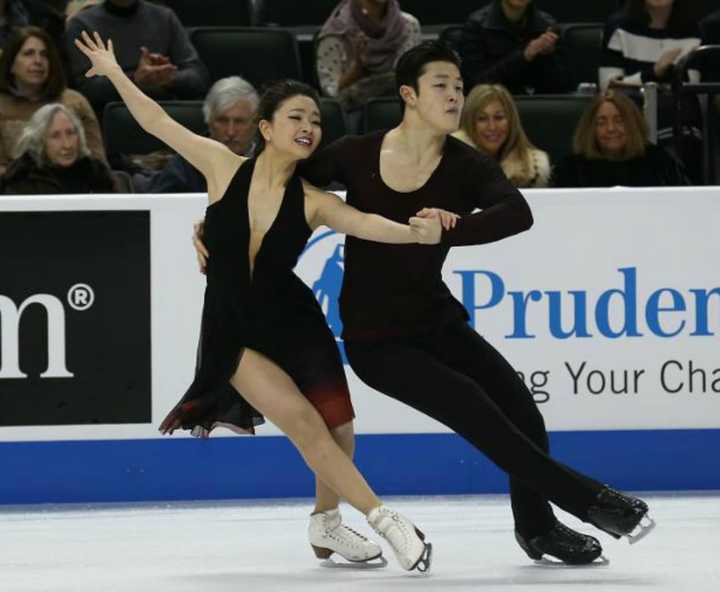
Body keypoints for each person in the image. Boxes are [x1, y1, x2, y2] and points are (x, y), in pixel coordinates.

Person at [194, 41, 656, 566]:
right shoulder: (355, 153)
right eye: (442, 85)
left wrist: (449, 231)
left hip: (437, 320)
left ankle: (538, 528)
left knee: (520, 410)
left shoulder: (465, 165)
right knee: (483, 419)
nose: (455, 95)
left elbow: (516, 212)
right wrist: (214, 227)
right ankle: (595, 502)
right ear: (409, 94)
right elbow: (273, 180)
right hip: (378, 342)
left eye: (459, 86)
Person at [73, 30, 441, 573]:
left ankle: (326, 523)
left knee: (339, 426)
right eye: (296, 117)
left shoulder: (313, 201)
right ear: (266, 128)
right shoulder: (222, 166)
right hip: (233, 328)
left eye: (314, 120)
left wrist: (417, 234)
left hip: (293, 320)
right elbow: (156, 121)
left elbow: (365, 224)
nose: (308, 128)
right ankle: (389, 522)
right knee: (305, 425)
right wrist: (116, 71)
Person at [600, 0, 703, 182]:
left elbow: (691, 86)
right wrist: (654, 73)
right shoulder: (619, 28)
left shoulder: (692, 30)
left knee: (685, 115)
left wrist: (659, 75)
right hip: (631, 113)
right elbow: (609, 87)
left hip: (678, 118)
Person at [66, 0, 208, 112]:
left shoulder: (165, 18)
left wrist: (169, 77)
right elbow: (87, 89)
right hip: (111, 118)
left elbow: (198, 76)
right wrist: (134, 80)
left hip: (165, 114)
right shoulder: (82, 25)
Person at [0, 26, 105, 175]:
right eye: (28, 54)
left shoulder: (74, 102)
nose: (38, 61)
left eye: (44, 55)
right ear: (10, 63)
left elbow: (97, 160)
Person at [142, 76, 258, 194]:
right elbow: (159, 207)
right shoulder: (184, 167)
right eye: (222, 121)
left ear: (255, 123)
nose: (230, 132)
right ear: (209, 122)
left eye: (239, 122)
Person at [553, 90, 690, 187]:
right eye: (601, 122)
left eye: (619, 121)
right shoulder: (571, 169)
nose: (611, 128)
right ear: (590, 129)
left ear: (633, 124)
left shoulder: (659, 162)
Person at [316, 0, 421, 111]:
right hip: (353, 112)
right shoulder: (337, 32)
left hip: (401, 105)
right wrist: (356, 71)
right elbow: (331, 94)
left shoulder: (408, 25)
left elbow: (411, 79)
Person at [459, 0, 572, 95]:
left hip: (537, 107)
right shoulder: (477, 25)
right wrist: (524, 55)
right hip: (494, 104)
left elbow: (564, 86)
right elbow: (473, 85)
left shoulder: (548, 25)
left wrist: (549, 56)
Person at [1, 102, 115, 194]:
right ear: (40, 141)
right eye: (55, 136)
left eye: (70, 133)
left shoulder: (96, 175)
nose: (67, 145)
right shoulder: (20, 178)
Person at [453, 83, 550, 188]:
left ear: (511, 121)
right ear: (470, 123)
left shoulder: (534, 173)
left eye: (499, 117)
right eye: (482, 118)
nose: (492, 127)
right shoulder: (450, 163)